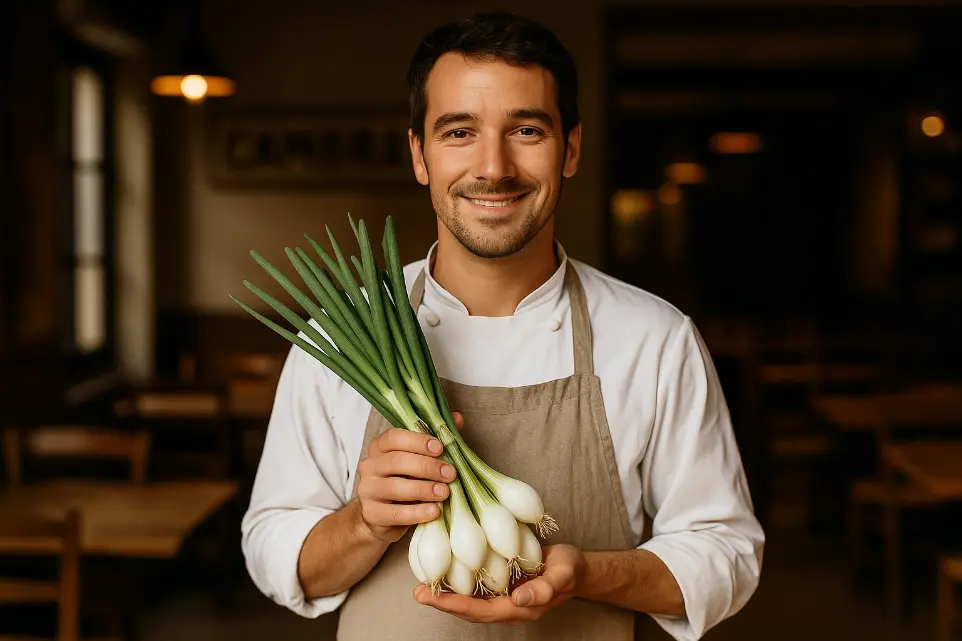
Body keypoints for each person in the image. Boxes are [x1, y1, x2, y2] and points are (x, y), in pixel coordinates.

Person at [241, 11, 764, 641]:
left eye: (526, 129)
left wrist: (586, 574)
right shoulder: (340, 335)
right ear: (420, 155)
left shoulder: (654, 340)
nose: (494, 167)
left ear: (570, 149)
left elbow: (726, 554)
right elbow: (272, 551)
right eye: (459, 131)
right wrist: (365, 523)